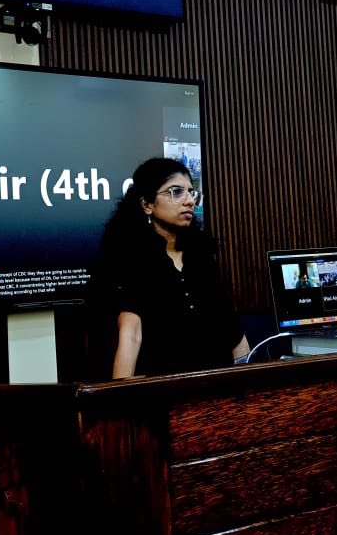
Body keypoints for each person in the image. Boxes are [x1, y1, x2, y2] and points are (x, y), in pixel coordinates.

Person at [98, 158, 248, 378]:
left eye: (191, 192)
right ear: (146, 205)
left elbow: (230, 326)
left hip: (217, 384)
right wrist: (121, 399)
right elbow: (131, 333)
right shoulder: (131, 260)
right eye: (176, 192)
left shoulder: (200, 255)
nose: (188, 200)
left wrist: (250, 383)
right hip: (167, 390)